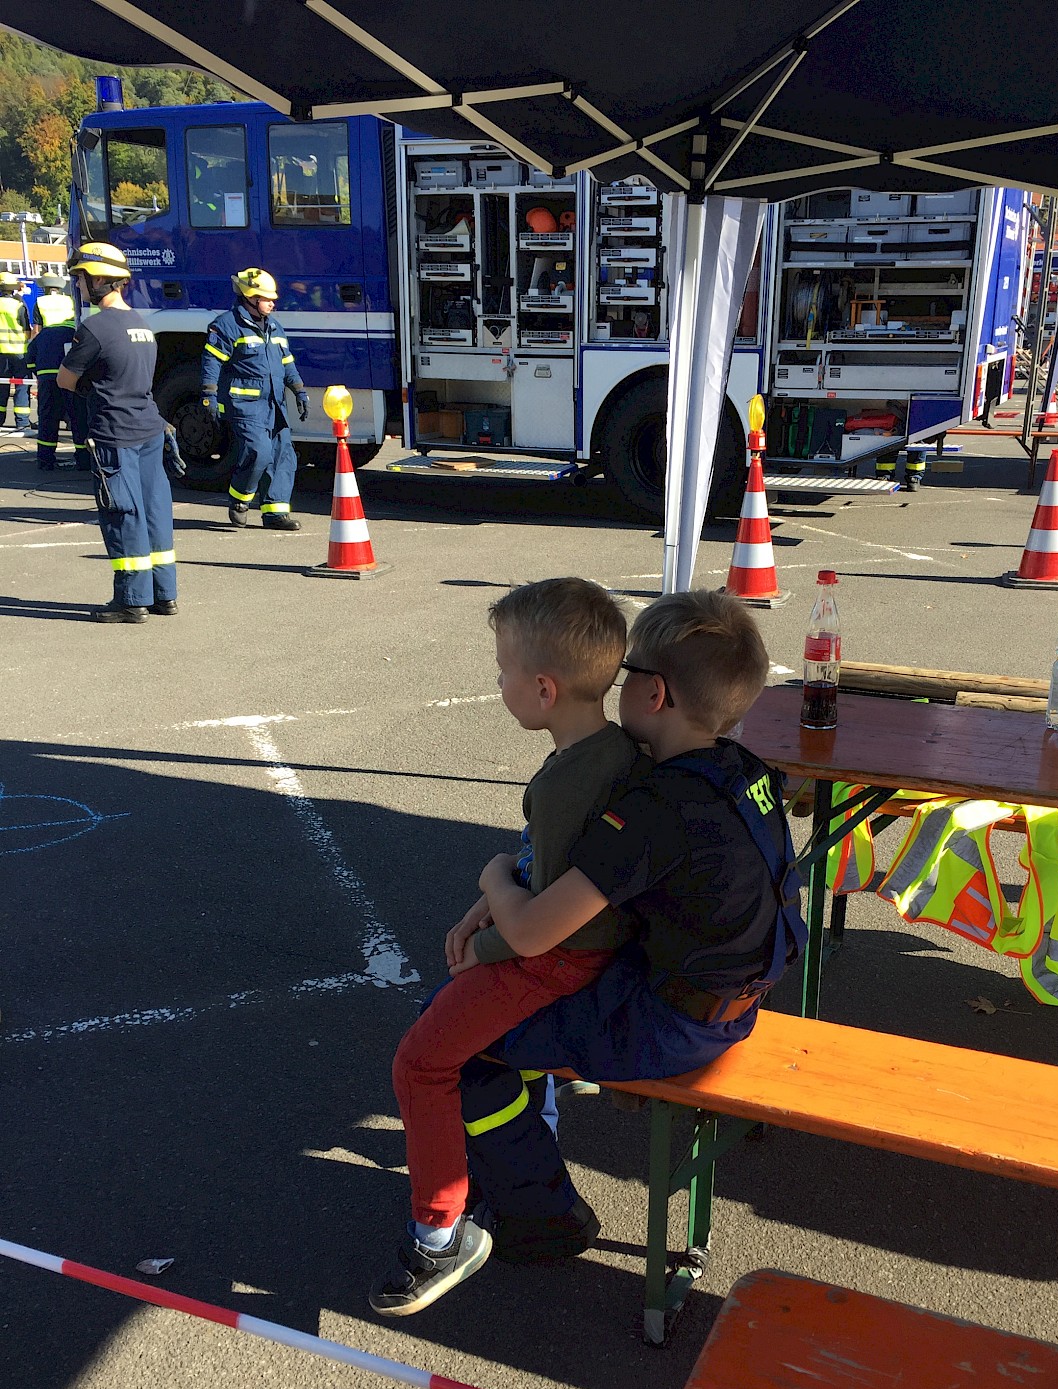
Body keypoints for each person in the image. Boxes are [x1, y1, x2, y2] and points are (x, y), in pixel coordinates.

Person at [369, 589, 804, 1312]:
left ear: (653, 692)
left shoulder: (653, 808)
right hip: (727, 999)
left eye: (626, 672)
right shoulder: (737, 768)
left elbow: (536, 933)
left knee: (444, 1045)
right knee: (476, 1020)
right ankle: (528, 1166)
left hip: (672, 1026)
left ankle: (523, 1219)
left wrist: (494, 877)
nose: (614, 683)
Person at [370, 577, 647, 1316]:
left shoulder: (563, 783)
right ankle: (523, 1185)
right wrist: (483, 907)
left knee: (421, 1063)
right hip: (578, 955)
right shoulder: (613, 751)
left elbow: (537, 922)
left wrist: (488, 905)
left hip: (553, 963)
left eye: (503, 672)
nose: (498, 684)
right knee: (465, 1043)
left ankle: (440, 1235)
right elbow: (542, 866)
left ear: (545, 688)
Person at [58, 242, 178, 624]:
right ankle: (164, 595)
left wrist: (89, 387)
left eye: (80, 278)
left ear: (98, 281)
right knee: (155, 512)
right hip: (149, 428)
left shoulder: (93, 328)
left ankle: (131, 599)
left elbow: (65, 379)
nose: (78, 285)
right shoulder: (142, 324)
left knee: (122, 514)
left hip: (115, 433)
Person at [199, 268, 309, 530]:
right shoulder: (226, 325)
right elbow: (211, 361)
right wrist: (209, 395)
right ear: (250, 297)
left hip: (275, 403)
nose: (273, 302)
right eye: (266, 297)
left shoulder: (274, 326)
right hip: (246, 405)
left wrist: (298, 389)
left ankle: (275, 512)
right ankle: (239, 499)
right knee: (259, 452)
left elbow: (287, 361)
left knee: (283, 456)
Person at [26, 273, 87, 473]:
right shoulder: (75, 330)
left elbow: (30, 359)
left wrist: (39, 374)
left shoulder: (42, 327)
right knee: (77, 418)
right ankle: (83, 460)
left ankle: (45, 460)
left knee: (47, 418)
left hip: (47, 378)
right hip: (70, 376)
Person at [0, 269, 30, 428]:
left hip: (0, 354)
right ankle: (22, 423)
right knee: (21, 386)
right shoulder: (19, 305)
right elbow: (27, 331)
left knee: (1, 387)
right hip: (19, 352)